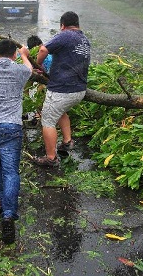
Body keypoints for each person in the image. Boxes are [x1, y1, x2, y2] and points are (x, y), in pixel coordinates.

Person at [0, 26, 33, 244]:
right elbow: (29, 67)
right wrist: (24, 54)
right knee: (10, 172)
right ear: (13, 56)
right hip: (10, 127)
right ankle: (8, 215)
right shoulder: (20, 71)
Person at [33, 11, 91, 167]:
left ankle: (51, 158)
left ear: (62, 25)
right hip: (79, 89)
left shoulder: (66, 35)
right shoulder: (84, 39)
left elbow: (44, 49)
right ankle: (67, 141)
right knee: (60, 111)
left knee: (48, 120)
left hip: (62, 89)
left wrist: (37, 64)